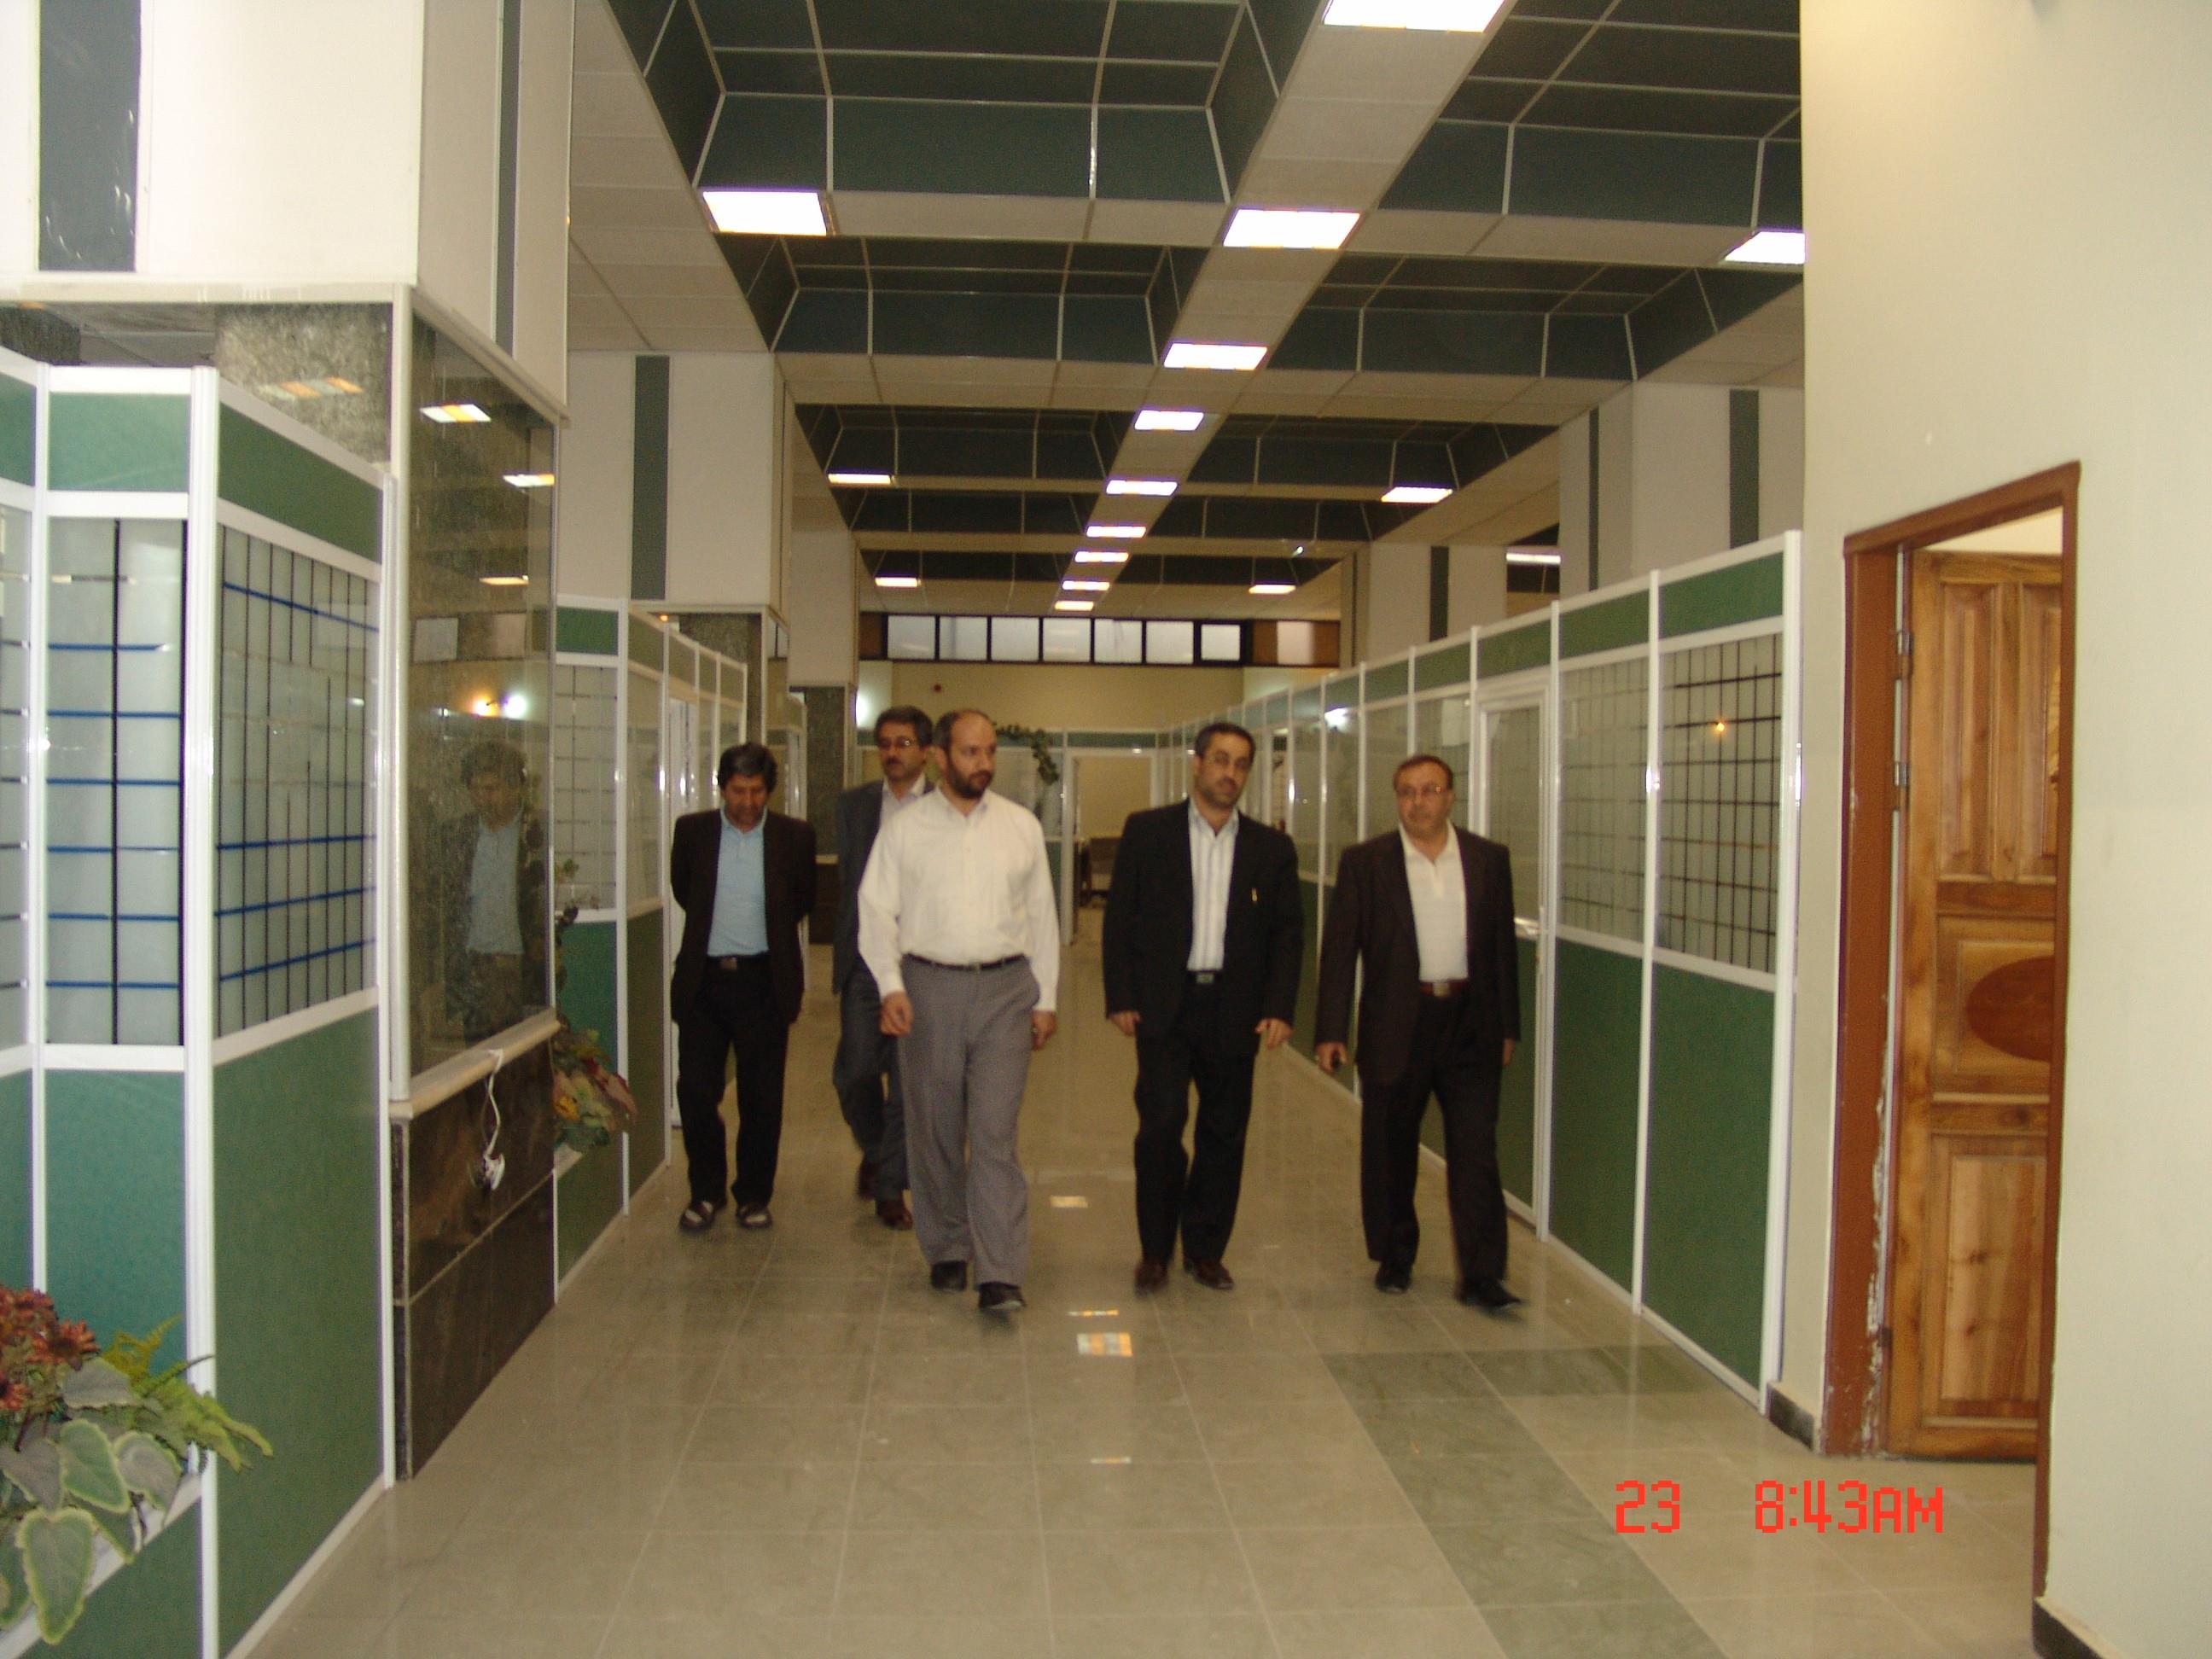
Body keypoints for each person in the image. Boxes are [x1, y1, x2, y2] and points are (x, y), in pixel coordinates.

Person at [857, 709, 1058, 1313]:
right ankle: (947, 1246)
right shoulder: (906, 830)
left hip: (1005, 991)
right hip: (929, 990)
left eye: (990, 751)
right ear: (941, 757)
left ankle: (1000, 1271)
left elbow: (1042, 917)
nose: (984, 763)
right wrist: (891, 986)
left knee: (994, 1134)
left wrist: (1046, 997)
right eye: (971, 752)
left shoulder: (1021, 827)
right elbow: (875, 910)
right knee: (936, 1128)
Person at [1315, 754, 1522, 1309]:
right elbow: (1340, 951)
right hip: (1396, 1022)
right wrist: (1331, 1029)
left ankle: (1482, 1275)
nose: (1418, 801)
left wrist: (1508, 1026)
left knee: (1476, 1150)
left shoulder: (1487, 859)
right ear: (1397, 800)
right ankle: (1395, 1256)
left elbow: (1501, 950)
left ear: (1450, 797)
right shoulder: (1367, 863)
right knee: (1391, 1147)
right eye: (1407, 791)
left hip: (1470, 1023)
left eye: (1430, 790)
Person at [1103, 721, 1302, 1294]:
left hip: (1235, 1010)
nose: (1228, 773)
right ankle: (1155, 1250)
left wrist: (1279, 1006)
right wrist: (1121, 996)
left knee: (1224, 1132)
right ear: (1197, 764)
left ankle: (1205, 1249)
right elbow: (1120, 919)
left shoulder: (1271, 849)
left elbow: (1288, 935)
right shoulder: (1149, 832)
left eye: (1240, 764)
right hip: (1166, 1006)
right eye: (1220, 759)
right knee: (1161, 1127)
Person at [667, 742, 817, 1233]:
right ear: (721, 788)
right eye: (737, 791)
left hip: (764, 982)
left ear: (769, 790)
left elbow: (800, 901)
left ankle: (753, 1195)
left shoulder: (794, 838)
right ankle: (705, 1191)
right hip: (705, 982)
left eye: (756, 792)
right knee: (696, 1091)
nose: (747, 802)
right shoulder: (693, 833)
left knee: (762, 1097)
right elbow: (685, 891)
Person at [832, 704, 934, 1231]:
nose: (893, 753)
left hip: (921, 964)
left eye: (904, 743)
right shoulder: (854, 806)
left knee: (907, 1080)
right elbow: (848, 884)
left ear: (926, 752)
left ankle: (891, 1186)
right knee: (855, 1072)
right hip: (866, 963)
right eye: (886, 743)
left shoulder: (944, 807)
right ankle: (876, 1150)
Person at [435, 738, 547, 1045]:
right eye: (475, 789)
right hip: (475, 972)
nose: (482, 798)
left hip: (522, 970)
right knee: (478, 1062)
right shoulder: (457, 835)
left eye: (491, 789)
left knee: (523, 1061)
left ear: (516, 788)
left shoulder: (537, 834)